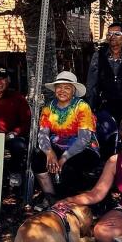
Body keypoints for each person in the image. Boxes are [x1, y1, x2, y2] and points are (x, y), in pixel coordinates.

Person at [33, 71, 100, 211]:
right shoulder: (48, 108)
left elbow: (83, 139)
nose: (62, 90)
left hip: (83, 148)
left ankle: (67, 202)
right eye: (59, 87)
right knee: (37, 157)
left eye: (67, 87)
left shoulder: (82, 107)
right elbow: (43, 134)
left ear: (73, 90)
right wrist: (49, 152)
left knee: (68, 166)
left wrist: (63, 158)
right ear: (55, 89)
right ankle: (50, 197)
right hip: (57, 145)